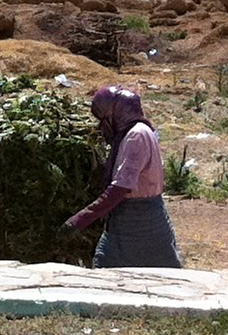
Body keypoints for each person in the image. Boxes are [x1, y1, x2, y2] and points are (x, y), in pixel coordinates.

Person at [63, 84, 182, 267]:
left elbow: (121, 187)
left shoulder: (136, 136)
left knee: (153, 273)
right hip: (127, 219)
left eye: (103, 120)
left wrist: (80, 219)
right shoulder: (133, 133)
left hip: (140, 221)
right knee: (108, 267)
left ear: (115, 114)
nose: (101, 127)